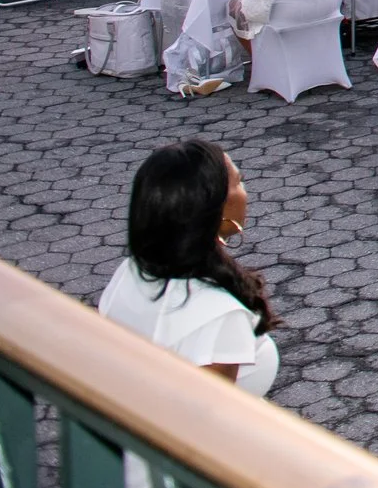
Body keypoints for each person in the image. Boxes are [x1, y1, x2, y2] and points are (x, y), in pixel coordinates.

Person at [98, 138, 281, 458]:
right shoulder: (218, 315)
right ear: (216, 210)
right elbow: (209, 438)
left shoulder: (130, 273)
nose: (246, 192)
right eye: (239, 182)